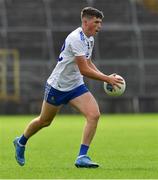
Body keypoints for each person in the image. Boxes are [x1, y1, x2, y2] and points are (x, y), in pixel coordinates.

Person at [13, 7, 123, 168]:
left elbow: (89, 62)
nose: (99, 26)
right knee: (44, 121)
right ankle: (21, 142)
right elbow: (84, 70)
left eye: (100, 22)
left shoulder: (89, 39)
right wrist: (106, 78)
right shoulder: (76, 38)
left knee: (94, 115)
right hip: (58, 86)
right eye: (96, 22)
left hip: (76, 86)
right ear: (85, 22)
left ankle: (82, 157)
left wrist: (105, 79)